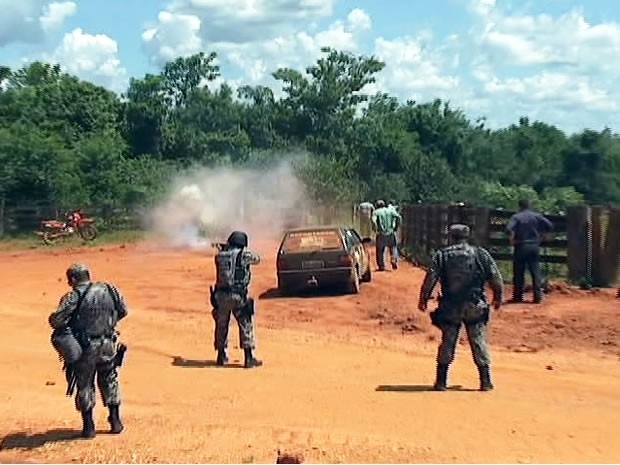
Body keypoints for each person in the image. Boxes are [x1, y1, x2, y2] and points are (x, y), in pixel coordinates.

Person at [417, 224, 504, 392]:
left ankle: (441, 381)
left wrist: (424, 299)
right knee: (478, 340)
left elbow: (431, 279)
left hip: (450, 306)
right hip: (475, 304)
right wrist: (498, 297)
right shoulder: (480, 254)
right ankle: (485, 381)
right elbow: (495, 277)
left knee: (448, 341)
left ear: (451, 236)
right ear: (467, 236)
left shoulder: (442, 255)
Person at [48, 263, 128, 439]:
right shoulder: (109, 289)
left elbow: (56, 320)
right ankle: (115, 421)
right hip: (108, 343)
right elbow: (123, 311)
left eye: (70, 280)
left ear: (74, 279)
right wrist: (106, 323)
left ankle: (89, 427)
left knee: (84, 384)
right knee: (110, 379)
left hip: (85, 347)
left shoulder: (73, 296)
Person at [210, 230, 262, 368]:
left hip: (220, 296)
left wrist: (224, 249)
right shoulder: (244, 255)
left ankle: (221, 356)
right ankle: (248, 357)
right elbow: (257, 259)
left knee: (221, 326)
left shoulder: (219, 256)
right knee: (245, 323)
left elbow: (224, 259)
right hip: (237, 295)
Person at [506, 199, 554, 303]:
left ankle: (518, 296)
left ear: (519, 206)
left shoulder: (516, 217)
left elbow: (509, 229)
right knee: (535, 271)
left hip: (521, 245)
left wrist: (512, 239)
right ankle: (538, 297)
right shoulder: (537, 216)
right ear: (529, 206)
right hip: (534, 245)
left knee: (519, 272)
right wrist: (544, 237)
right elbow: (549, 225)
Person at [371, 200, 401, 270]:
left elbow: (373, 221)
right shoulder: (390, 211)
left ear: (377, 206)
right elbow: (399, 217)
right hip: (391, 232)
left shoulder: (376, 212)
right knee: (393, 248)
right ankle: (394, 260)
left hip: (381, 233)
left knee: (380, 250)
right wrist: (396, 227)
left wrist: (375, 229)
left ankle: (382, 266)